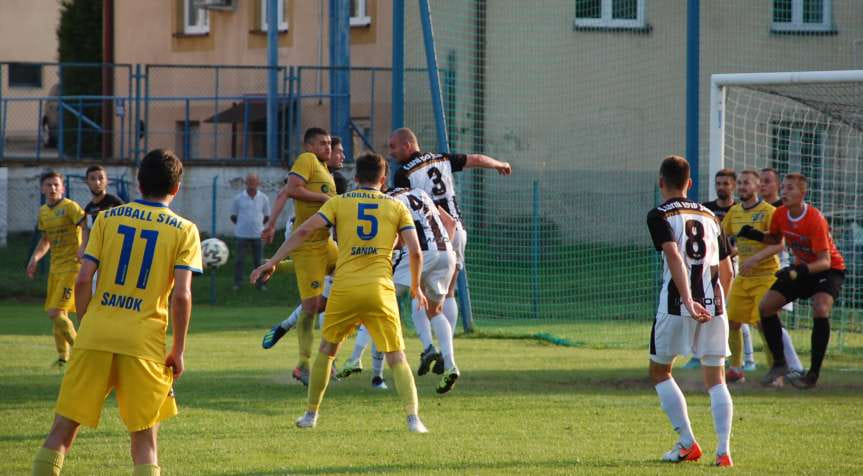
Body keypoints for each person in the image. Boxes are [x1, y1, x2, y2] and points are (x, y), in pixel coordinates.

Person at [31, 149, 203, 476]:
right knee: (145, 439)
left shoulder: (108, 219)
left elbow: (84, 277)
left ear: (138, 184)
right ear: (176, 188)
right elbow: (182, 295)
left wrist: (88, 324)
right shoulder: (184, 230)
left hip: (96, 334)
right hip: (144, 341)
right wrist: (178, 350)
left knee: (62, 430)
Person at [251, 153, 430, 432]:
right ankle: (413, 419)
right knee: (397, 357)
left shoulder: (338, 202)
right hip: (379, 290)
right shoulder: (395, 206)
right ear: (383, 180)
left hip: (344, 289)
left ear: (356, 177)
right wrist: (417, 286)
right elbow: (415, 251)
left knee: (327, 350)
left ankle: (310, 415)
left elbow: (303, 232)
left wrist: (273, 261)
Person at [389, 127, 511, 367]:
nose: (391, 152)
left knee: (419, 291)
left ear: (407, 145)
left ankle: (428, 348)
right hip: (457, 231)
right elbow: (475, 159)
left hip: (432, 234)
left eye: (393, 147)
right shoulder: (442, 158)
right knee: (449, 292)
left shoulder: (403, 173)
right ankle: (448, 353)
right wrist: (499, 163)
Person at [646, 155, 734, 467]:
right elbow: (728, 271)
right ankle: (723, 451)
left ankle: (687, 442)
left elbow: (672, 253)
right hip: (715, 305)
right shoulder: (711, 215)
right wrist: (718, 307)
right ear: (690, 184)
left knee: (659, 371)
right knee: (717, 378)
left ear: (661, 183)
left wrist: (686, 299)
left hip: (675, 304)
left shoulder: (659, 214)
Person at [741, 173, 846, 389]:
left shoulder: (814, 218)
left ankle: (813, 374)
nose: (785, 192)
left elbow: (825, 261)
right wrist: (755, 235)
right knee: (766, 307)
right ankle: (779, 363)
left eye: (790, 188)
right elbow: (775, 239)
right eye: (784, 188)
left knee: (820, 307)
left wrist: (797, 271)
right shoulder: (780, 214)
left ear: (803, 193)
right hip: (801, 269)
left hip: (828, 269)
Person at [259, 128, 338, 385]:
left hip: (325, 243)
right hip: (307, 246)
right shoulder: (307, 160)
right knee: (311, 307)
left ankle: (276, 267)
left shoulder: (325, 170)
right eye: (322, 143)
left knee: (351, 278)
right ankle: (303, 364)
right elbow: (292, 189)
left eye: (329, 143)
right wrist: (325, 198)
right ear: (309, 145)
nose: (328, 147)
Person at [721, 170, 803, 384]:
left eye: (746, 183)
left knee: (765, 324)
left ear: (757, 187)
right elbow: (723, 234)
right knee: (731, 322)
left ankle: (777, 372)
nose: (741, 187)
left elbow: (779, 243)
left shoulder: (769, 211)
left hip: (766, 275)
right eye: (739, 183)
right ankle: (736, 369)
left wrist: (755, 258)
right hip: (744, 277)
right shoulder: (734, 212)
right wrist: (728, 251)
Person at [26, 172, 86, 368]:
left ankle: (81, 353)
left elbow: (86, 226)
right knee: (59, 316)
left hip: (72, 267)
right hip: (55, 268)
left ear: (62, 188)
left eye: (55, 185)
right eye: (48, 185)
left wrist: (83, 247)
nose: (52, 188)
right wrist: (34, 258)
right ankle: (63, 358)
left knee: (55, 312)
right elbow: (46, 241)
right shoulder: (43, 212)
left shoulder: (70, 207)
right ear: (42, 189)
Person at [684, 168, 738, 370]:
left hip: (731, 263)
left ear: (733, 185)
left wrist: (735, 251)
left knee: (733, 316)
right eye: (718, 183)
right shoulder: (705, 209)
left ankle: (743, 360)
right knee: (702, 308)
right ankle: (698, 355)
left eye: (725, 183)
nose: (721, 187)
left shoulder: (738, 210)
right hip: (708, 267)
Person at [230, 173, 271, 291]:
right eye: (250, 181)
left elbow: (267, 216)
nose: (252, 184)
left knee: (259, 261)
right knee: (239, 260)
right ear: (246, 183)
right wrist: (243, 225)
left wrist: (258, 225)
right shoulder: (238, 198)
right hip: (241, 234)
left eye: (254, 182)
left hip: (258, 234)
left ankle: (260, 284)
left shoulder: (264, 198)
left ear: (258, 183)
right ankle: (238, 284)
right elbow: (233, 216)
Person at [80, 165, 125, 257]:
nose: (97, 182)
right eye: (93, 179)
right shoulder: (88, 209)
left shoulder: (116, 203)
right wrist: (83, 247)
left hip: (115, 252)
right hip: (96, 254)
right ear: (87, 182)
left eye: (101, 178)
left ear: (107, 181)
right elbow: (86, 232)